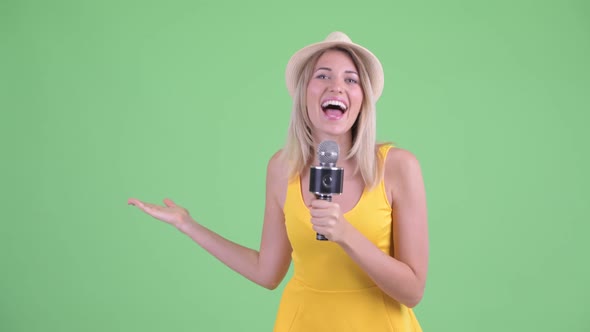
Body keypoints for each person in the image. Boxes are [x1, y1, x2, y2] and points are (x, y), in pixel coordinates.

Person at [128, 31, 428, 332]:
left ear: (363, 98)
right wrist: (187, 224)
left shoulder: (397, 167)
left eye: (351, 79)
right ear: (304, 92)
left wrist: (346, 235)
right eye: (322, 76)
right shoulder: (282, 168)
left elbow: (413, 291)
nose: (337, 86)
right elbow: (267, 272)